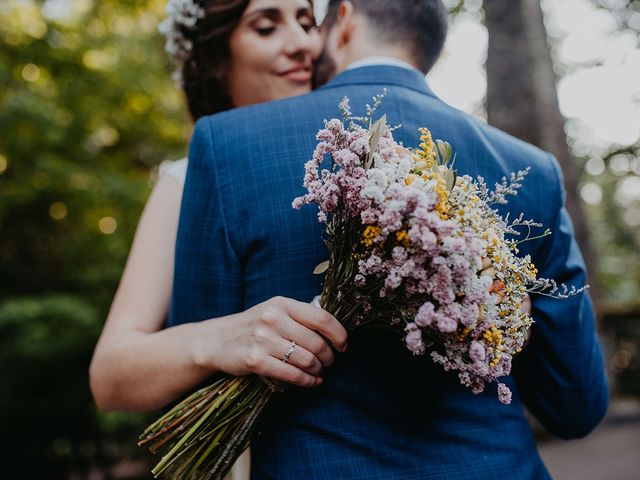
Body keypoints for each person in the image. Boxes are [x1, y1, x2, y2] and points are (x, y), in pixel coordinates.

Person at [170, 0, 609, 478]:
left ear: (345, 19)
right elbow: (577, 407)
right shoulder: (531, 173)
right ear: (430, 47)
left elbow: (193, 373)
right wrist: (504, 313)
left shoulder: (225, 143)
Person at [89, 1, 349, 478]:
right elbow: (109, 375)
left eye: (307, 22)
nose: (303, 44)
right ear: (217, 60)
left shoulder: (365, 162)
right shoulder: (185, 182)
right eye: (267, 27)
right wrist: (220, 338)